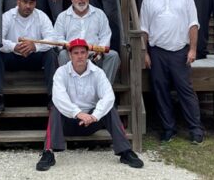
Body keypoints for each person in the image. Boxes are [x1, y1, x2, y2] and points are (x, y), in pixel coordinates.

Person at [36, 38, 144, 171]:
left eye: (83, 52)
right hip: (69, 121)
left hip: (92, 122)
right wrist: (78, 114)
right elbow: (59, 98)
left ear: (88, 54)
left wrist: (94, 116)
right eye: (76, 53)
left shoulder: (98, 73)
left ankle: (125, 151)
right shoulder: (61, 72)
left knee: (110, 107)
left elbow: (108, 96)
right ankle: (48, 152)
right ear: (70, 55)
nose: (80, 56)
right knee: (55, 107)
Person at [140, 0, 204, 144]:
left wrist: (192, 49)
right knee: (160, 91)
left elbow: (193, 24)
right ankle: (168, 128)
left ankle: (195, 129)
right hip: (157, 51)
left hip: (180, 51)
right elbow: (144, 28)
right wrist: (144, 53)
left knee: (185, 90)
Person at [0, 0, 57, 112]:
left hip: (34, 58)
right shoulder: (7, 16)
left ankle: (53, 97)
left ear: (35, 4)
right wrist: (14, 46)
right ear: (18, 2)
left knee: (51, 54)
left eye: (31, 3)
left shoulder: (41, 16)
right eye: (25, 2)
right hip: (12, 57)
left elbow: (52, 38)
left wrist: (35, 46)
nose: (28, 6)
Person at [53, 0, 121, 84]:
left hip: (94, 56)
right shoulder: (63, 17)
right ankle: (69, 88)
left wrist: (100, 50)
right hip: (73, 55)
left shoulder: (99, 14)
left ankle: (104, 91)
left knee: (113, 55)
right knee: (62, 55)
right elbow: (57, 38)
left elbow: (105, 36)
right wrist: (68, 46)